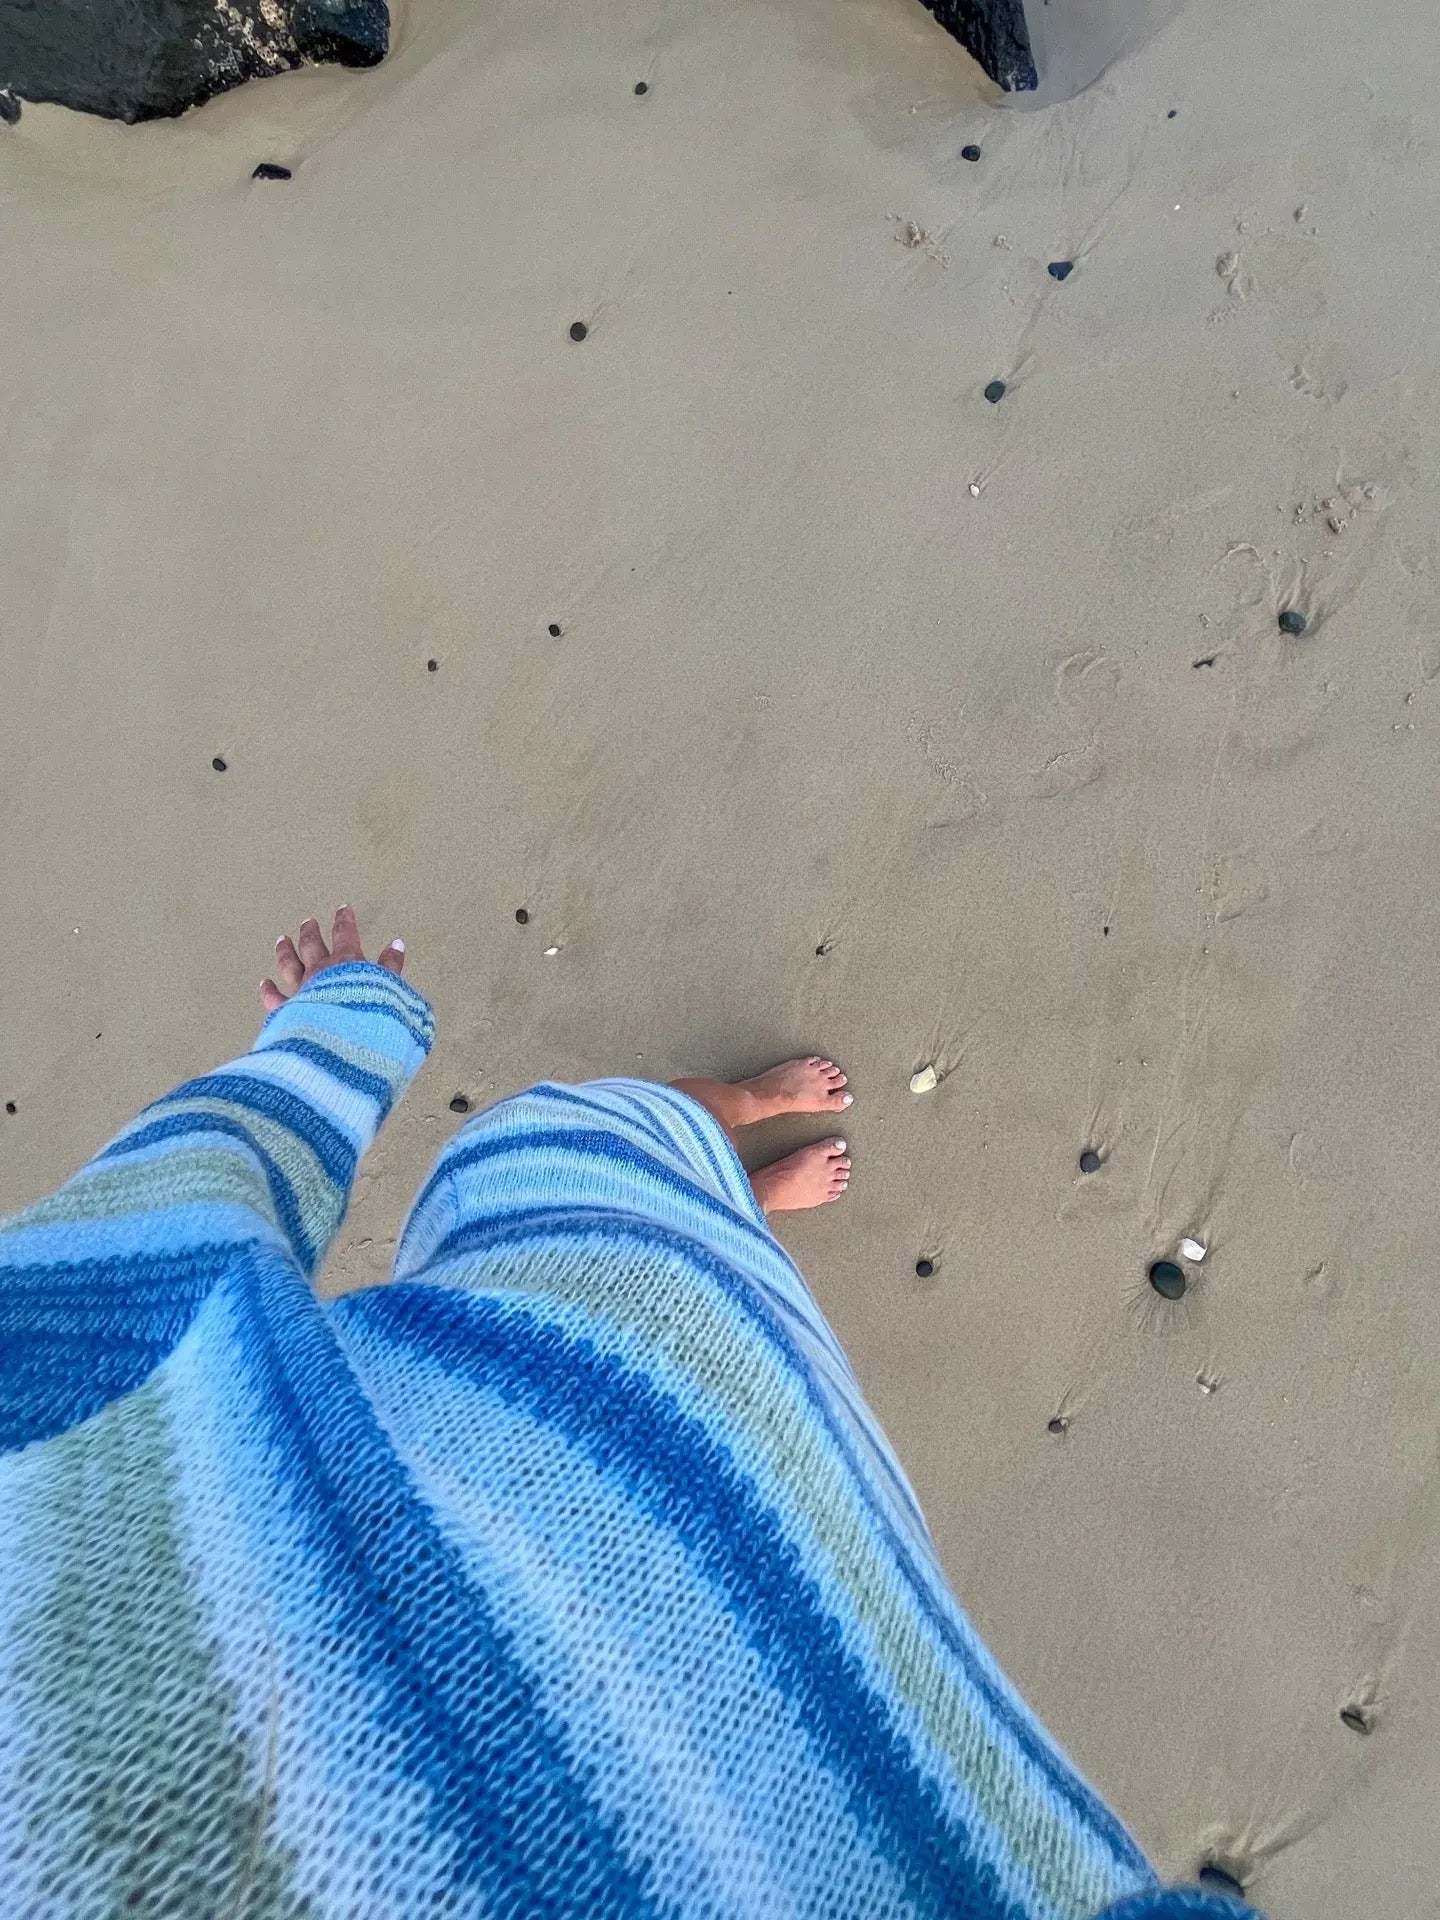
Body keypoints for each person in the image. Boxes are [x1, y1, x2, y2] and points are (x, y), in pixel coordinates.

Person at [0, 909, 1248, 1919]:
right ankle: (730, 1173)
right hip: (647, 1391)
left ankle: (737, 1127)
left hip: (563, 1384)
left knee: (628, 1162)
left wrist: (334, 1046)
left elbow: (119, 1283)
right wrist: (334, 1035)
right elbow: (146, 1248)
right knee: (617, 1173)